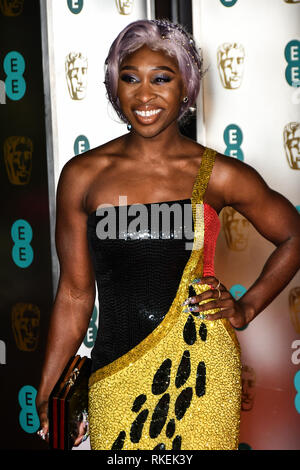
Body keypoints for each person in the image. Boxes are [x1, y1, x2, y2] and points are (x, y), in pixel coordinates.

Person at [36, 19, 300, 450]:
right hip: (114, 370)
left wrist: (247, 308)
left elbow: (293, 236)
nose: (144, 95)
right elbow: (74, 294)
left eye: (161, 78)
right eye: (130, 78)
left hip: (201, 372)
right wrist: (49, 389)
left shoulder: (218, 174)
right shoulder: (83, 176)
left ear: (186, 88)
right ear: (114, 86)